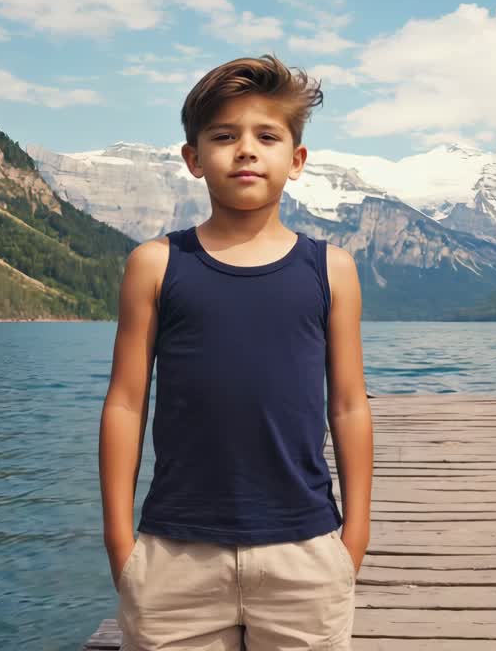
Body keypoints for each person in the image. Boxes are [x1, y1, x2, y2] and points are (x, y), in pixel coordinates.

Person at [98, 54, 374, 650]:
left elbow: (349, 406)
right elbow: (125, 402)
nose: (246, 150)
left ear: (295, 161)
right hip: (174, 552)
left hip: (305, 551)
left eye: (266, 136)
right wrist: (121, 543)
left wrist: (355, 537)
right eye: (224, 136)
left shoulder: (332, 270)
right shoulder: (157, 264)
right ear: (194, 160)